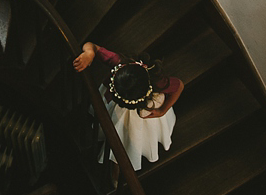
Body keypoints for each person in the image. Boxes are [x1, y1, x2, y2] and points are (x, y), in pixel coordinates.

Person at [73, 42, 184, 173]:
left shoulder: (158, 82)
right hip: (118, 109)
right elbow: (92, 46)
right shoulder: (119, 62)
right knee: (117, 133)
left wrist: (162, 110)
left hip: (143, 115)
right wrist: (89, 53)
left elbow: (179, 86)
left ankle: (117, 166)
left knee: (129, 139)